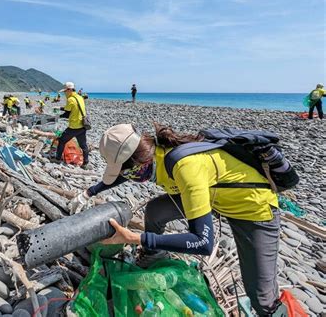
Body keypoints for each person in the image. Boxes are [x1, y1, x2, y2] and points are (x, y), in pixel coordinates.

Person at [75, 123, 289, 316]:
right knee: (156, 211)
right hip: (217, 199)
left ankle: (277, 312)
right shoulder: (154, 154)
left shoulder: (185, 167)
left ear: (139, 163)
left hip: (254, 210)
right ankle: (154, 258)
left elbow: (203, 243)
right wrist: (89, 192)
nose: (129, 178)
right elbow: (122, 175)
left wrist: (135, 237)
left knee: (261, 297)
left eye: (129, 172)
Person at [51, 82, 89, 168]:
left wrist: (57, 117)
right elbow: (72, 108)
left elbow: (67, 114)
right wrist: (59, 108)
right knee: (83, 145)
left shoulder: (70, 99)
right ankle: (85, 163)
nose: (64, 93)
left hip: (74, 127)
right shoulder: (80, 97)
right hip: (83, 126)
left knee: (61, 140)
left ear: (69, 90)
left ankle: (57, 159)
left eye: (65, 91)